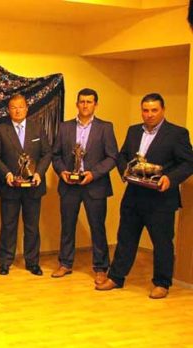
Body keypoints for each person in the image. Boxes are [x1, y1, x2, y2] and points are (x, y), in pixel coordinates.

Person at [96, 93, 193, 299]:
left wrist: (170, 178)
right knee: (125, 238)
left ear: (163, 110)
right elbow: (122, 156)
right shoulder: (133, 131)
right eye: (146, 110)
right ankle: (116, 277)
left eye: (154, 110)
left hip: (161, 199)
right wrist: (124, 170)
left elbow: (188, 163)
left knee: (162, 242)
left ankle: (162, 283)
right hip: (133, 196)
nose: (149, 115)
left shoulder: (177, 134)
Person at [51, 88, 118, 284]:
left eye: (89, 102)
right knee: (67, 226)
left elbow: (112, 157)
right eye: (82, 101)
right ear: (77, 104)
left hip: (94, 186)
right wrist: (62, 171)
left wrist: (94, 174)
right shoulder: (65, 127)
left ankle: (100, 267)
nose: (85, 105)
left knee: (97, 227)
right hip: (69, 185)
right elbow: (56, 155)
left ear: (96, 104)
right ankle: (65, 263)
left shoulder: (105, 127)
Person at [0, 94, 51, 276]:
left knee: (32, 227)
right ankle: (5, 262)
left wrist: (39, 173)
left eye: (21, 106)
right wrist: (7, 174)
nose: (17, 110)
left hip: (33, 187)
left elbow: (47, 153)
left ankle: (32, 262)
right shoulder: (0, 129)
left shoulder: (37, 128)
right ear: (8, 110)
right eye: (13, 107)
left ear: (27, 108)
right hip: (10, 187)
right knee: (8, 226)